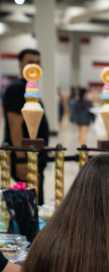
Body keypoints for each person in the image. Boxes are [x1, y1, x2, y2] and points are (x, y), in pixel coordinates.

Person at [2, 48, 49, 204]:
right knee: (29, 207)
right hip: (25, 159)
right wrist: (21, 160)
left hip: (35, 157)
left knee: (35, 203)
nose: (34, 65)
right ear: (20, 65)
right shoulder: (16, 89)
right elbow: (15, 126)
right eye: (30, 62)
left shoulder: (30, 89)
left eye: (37, 62)